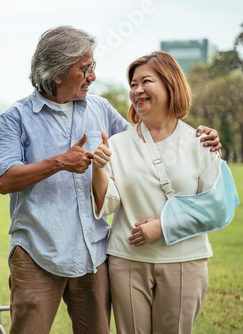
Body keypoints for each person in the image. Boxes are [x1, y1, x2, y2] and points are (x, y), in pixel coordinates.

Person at [0, 26, 221, 334]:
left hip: (94, 256)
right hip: (37, 253)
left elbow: (146, 139)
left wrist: (199, 136)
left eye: (93, 67)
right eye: (85, 69)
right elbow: (4, 180)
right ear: (57, 73)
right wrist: (59, 162)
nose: (93, 76)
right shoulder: (15, 118)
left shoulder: (100, 108)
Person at [91, 51, 225, 334]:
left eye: (146, 81)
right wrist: (98, 169)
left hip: (184, 261)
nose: (137, 90)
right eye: (133, 84)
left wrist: (162, 227)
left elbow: (217, 208)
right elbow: (107, 203)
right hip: (127, 260)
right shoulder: (117, 143)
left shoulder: (200, 142)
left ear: (170, 84)